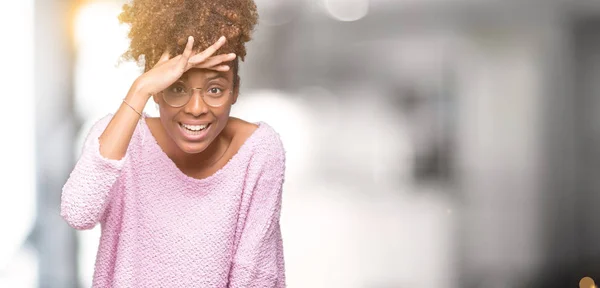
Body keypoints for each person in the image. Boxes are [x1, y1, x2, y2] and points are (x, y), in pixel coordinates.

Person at [60, 0, 286, 287]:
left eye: (215, 89)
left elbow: (255, 275)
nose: (195, 108)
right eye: (177, 88)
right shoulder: (120, 139)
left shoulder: (258, 151)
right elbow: (78, 212)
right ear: (157, 89)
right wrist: (139, 89)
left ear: (235, 91)